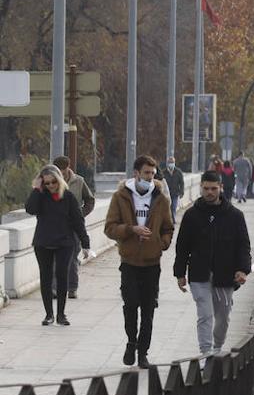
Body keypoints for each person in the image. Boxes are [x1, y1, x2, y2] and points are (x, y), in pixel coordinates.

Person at [104, 155, 175, 368]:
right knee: (130, 304)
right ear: (136, 174)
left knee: (148, 308)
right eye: (146, 173)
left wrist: (160, 242)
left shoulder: (161, 199)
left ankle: (143, 352)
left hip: (152, 263)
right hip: (129, 261)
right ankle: (131, 342)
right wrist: (131, 229)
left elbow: (168, 228)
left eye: (153, 174)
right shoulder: (121, 197)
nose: (150, 178)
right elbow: (109, 228)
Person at [174, 170, 251, 361]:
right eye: (206, 188)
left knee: (223, 317)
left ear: (221, 188)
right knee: (205, 314)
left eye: (213, 189)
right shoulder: (191, 215)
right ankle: (206, 352)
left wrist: (242, 269)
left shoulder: (234, 216)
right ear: (201, 188)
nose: (209, 192)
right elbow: (182, 246)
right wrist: (180, 273)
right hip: (199, 274)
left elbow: (243, 245)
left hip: (225, 274)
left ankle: (217, 347)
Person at [25, 164, 89, 326]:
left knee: (62, 277)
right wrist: (37, 189)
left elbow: (77, 221)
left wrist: (85, 243)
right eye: (47, 183)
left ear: (59, 180)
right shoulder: (41, 196)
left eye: (53, 182)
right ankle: (49, 315)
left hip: (65, 243)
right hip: (43, 242)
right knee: (45, 278)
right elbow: (30, 209)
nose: (51, 186)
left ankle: (61, 314)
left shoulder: (67, 197)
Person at [52, 155, 94, 300]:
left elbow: (89, 200)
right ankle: (55, 288)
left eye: (63, 171)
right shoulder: (51, 182)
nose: (61, 174)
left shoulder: (79, 181)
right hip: (56, 225)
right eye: (58, 171)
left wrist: (81, 214)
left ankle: (72, 287)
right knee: (55, 258)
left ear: (68, 168)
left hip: (74, 226)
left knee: (72, 257)